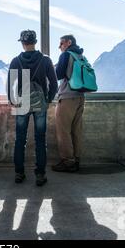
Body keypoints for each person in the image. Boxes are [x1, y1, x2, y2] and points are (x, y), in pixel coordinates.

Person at [8, 30, 58, 187]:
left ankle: (19, 173)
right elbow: (54, 83)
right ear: (35, 42)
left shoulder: (16, 61)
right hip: (39, 103)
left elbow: (10, 85)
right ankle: (40, 175)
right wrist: (48, 99)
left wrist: (13, 100)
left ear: (22, 43)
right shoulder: (45, 60)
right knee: (40, 139)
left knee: (20, 139)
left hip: (22, 102)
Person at [52, 34, 86, 173]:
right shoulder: (81, 56)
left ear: (69, 42)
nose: (59, 46)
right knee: (76, 130)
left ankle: (67, 161)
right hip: (80, 96)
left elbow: (59, 74)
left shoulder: (66, 55)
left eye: (61, 43)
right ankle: (76, 160)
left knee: (63, 131)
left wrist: (53, 68)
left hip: (67, 97)